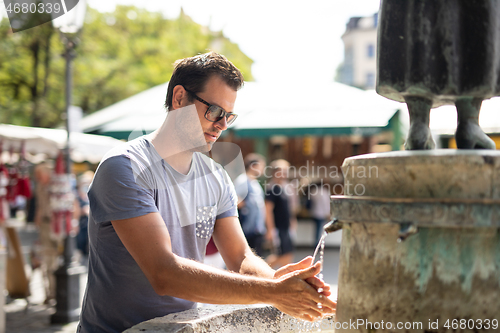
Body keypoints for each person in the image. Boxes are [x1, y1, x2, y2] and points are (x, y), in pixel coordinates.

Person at [77, 52, 335, 333]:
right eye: (214, 111)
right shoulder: (125, 166)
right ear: (179, 99)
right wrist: (273, 292)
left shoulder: (215, 177)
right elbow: (164, 273)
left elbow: (241, 258)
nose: (222, 124)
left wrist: (277, 282)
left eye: (229, 116)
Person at [33, 162, 60, 305]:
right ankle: (50, 293)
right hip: (44, 225)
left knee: (57, 261)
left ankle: (57, 292)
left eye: (39, 175)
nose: (37, 178)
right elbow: (39, 206)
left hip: (56, 225)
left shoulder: (56, 186)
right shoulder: (39, 187)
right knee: (47, 260)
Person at [264, 159, 297, 269]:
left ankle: (286, 279)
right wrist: (270, 230)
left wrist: (292, 221)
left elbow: (288, 209)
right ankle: (258, 271)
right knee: (280, 255)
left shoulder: (283, 188)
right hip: (278, 229)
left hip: (285, 228)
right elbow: (267, 211)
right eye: (282, 171)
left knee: (288, 255)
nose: (285, 174)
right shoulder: (272, 189)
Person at [234, 153, 267, 257]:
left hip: (256, 230)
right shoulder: (243, 180)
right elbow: (235, 200)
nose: (263, 169)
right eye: (261, 166)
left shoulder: (255, 182)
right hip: (247, 229)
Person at [75, 170, 94, 260]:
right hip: (82, 224)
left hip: (90, 223)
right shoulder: (77, 196)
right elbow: (75, 212)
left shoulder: (93, 194)